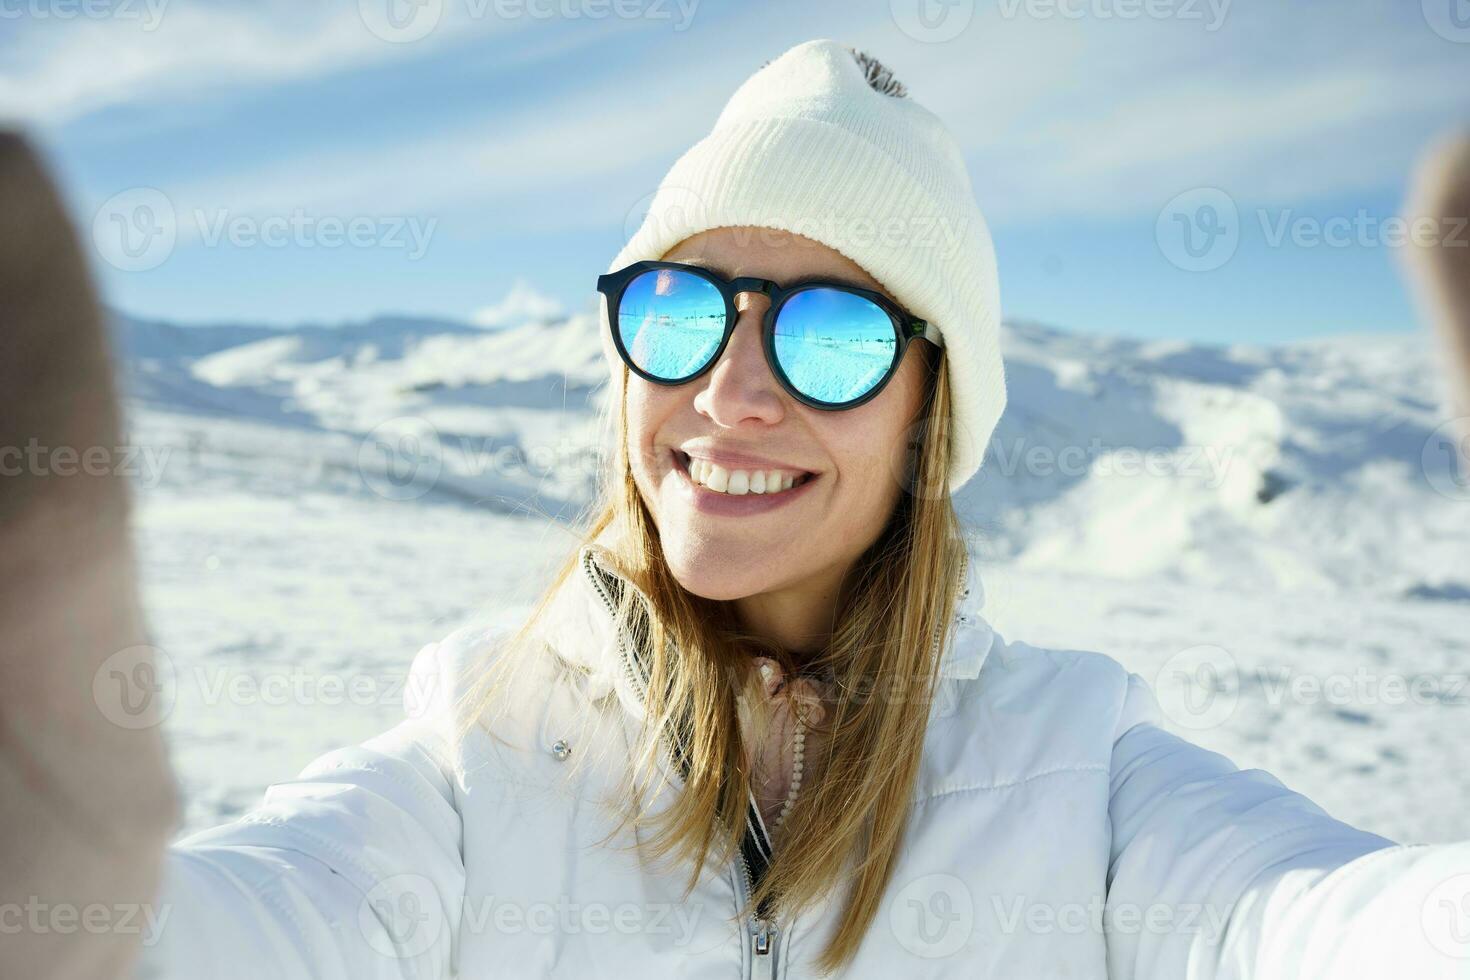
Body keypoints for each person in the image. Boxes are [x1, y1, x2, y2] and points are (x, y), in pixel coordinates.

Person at [3, 37, 1469, 980]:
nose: (735, 393)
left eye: (829, 333)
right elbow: (260, 927)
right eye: (679, 310)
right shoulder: (475, 757)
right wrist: (65, 909)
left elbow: (1324, 930)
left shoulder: (1080, 777)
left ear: (928, 415)